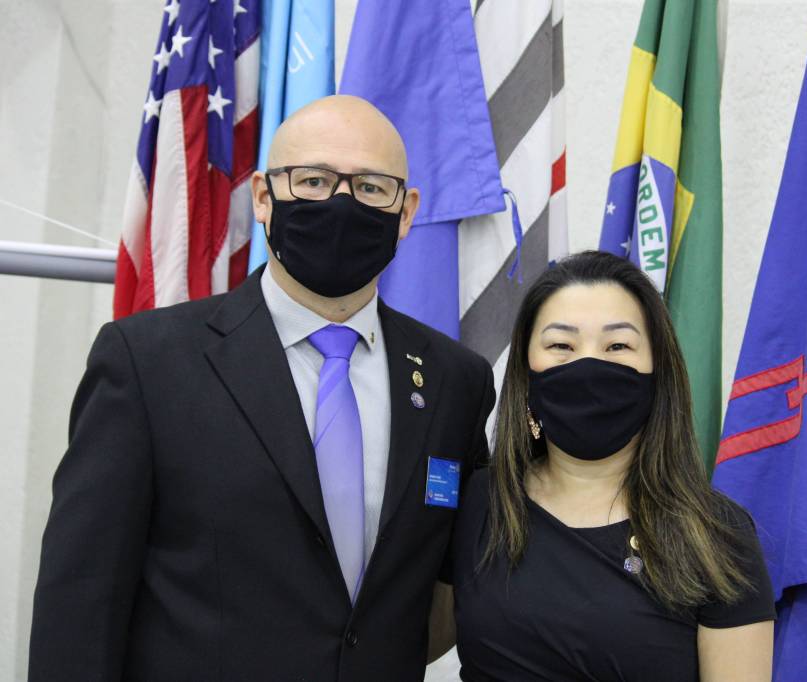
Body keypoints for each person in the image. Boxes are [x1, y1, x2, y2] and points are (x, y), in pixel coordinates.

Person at [29, 95, 495, 681]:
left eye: (371, 187)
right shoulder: (147, 363)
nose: (341, 203)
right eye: (314, 180)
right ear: (262, 196)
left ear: (406, 212)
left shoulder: (456, 381)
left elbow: (454, 582)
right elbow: (80, 601)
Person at [446, 251, 775, 681]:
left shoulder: (716, 533)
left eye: (617, 346)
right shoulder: (476, 502)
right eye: (561, 346)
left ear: (658, 371)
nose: (589, 365)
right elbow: (413, 637)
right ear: (526, 372)